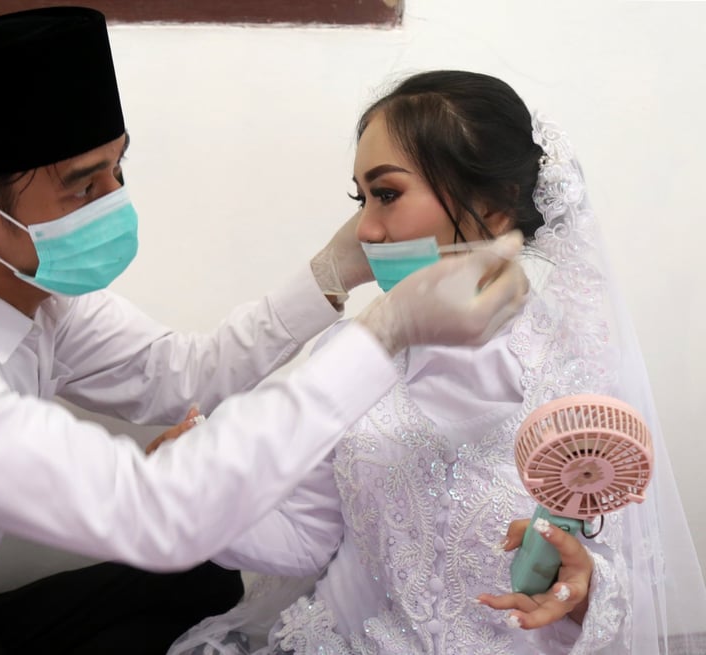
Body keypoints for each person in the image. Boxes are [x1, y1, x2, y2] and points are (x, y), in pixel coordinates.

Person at [0, 10, 529, 655]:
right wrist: (384, 333)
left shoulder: (40, 287)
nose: (113, 202)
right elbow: (156, 513)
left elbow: (184, 374)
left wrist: (334, 273)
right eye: (83, 185)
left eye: (117, 170)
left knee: (203, 579)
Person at [167, 70, 706, 655]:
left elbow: (629, 581)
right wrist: (197, 497)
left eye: (388, 194)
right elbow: (308, 537)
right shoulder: (355, 359)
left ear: (495, 209)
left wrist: (586, 587)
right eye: (361, 198)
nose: (365, 231)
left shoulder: (581, 375)